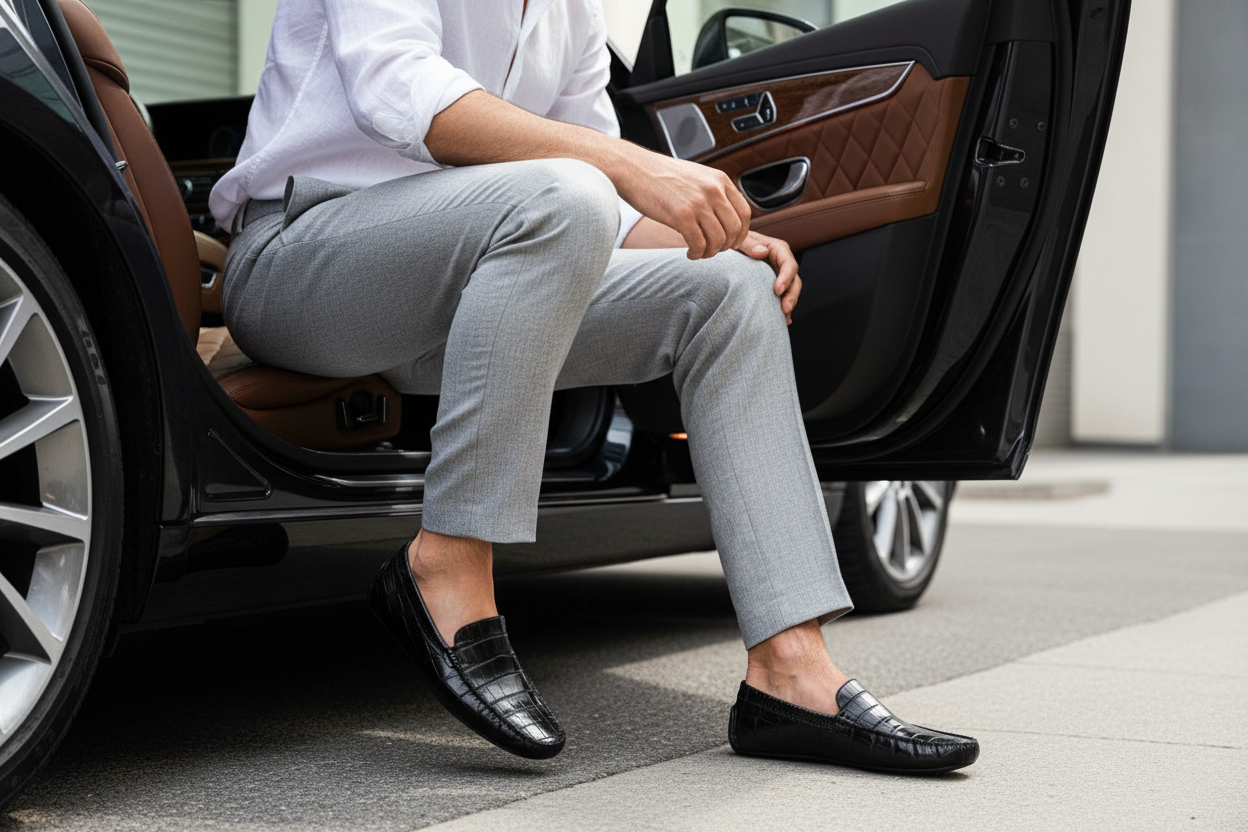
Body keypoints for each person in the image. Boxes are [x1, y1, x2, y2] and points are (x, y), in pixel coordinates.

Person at [210, 0, 978, 773]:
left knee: (729, 290)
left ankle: (790, 671)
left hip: (464, 295)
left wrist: (721, 235)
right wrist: (625, 166)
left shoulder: (569, 11)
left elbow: (604, 211)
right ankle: (447, 563)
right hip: (301, 261)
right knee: (561, 192)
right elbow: (399, 90)